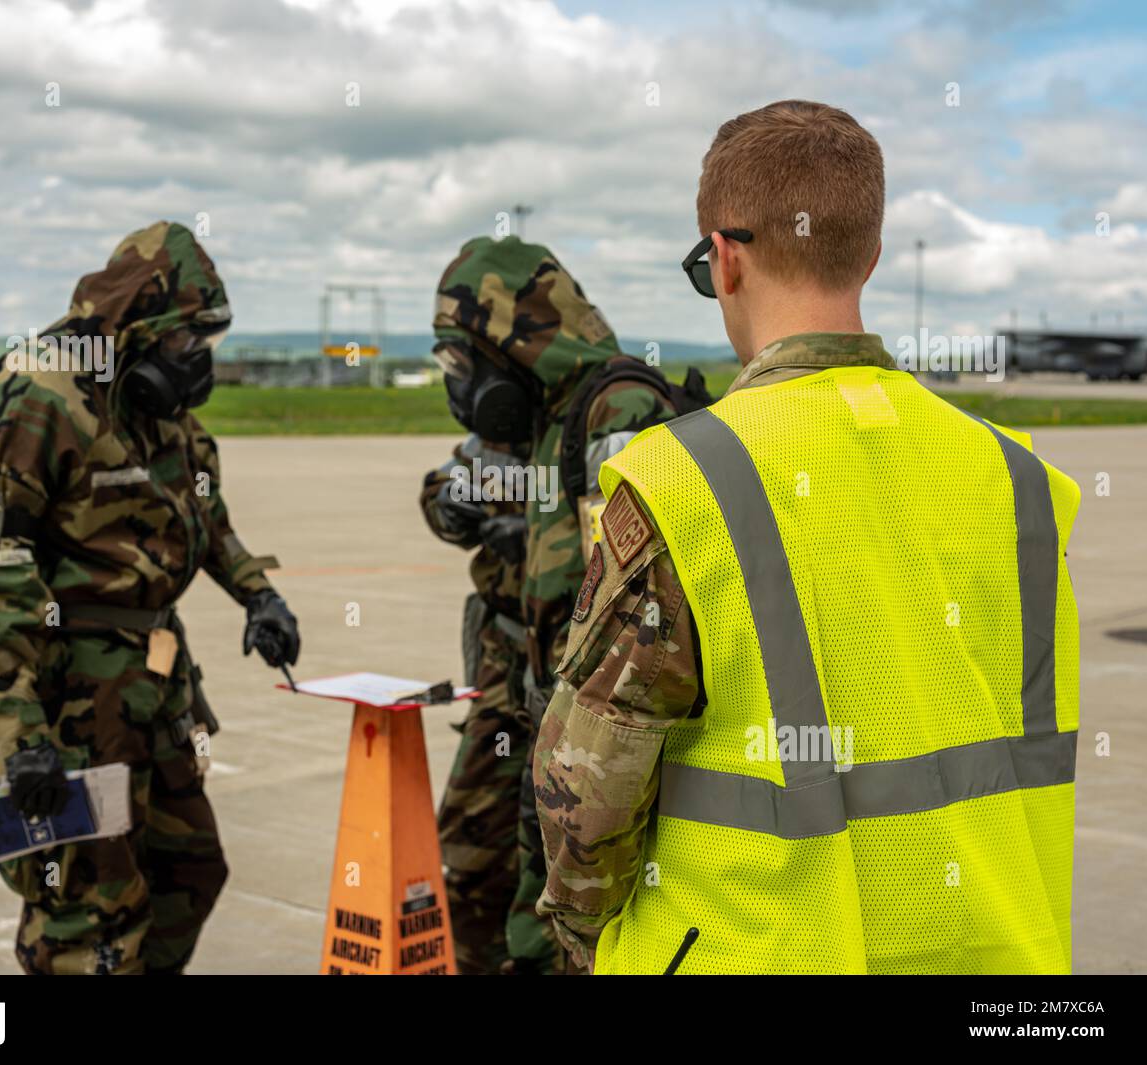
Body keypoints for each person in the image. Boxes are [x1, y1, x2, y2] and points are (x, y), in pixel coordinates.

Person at [534, 100, 1081, 975]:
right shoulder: (1018, 479)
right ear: (869, 253)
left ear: (722, 259)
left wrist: (589, 936)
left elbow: (588, 792)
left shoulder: (683, 477)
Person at [0, 220, 301, 974]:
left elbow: (203, 516)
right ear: (136, 329)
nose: (199, 364)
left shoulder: (161, 414)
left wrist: (259, 596)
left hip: (152, 686)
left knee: (188, 871)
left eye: (208, 342)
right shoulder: (36, 396)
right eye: (187, 344)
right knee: (89, 914)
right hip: (70, 698)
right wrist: (21, 737)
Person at [432, 236, 682, 973]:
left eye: (463, 360)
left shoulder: (615, 407)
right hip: (529, 694)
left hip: (587, 726)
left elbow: (647, 587)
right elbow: (455, 479)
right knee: (475, 872)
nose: (460, 383)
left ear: (514, 342)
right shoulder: (541, 418)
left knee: (555, 928)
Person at [420, 434, 532, 975]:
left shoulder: (610, 415)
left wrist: (543, 540)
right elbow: (444, 482)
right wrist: (448, 506)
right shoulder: (504, 427)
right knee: (471, 852)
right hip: (504, 665)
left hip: (587, 665)